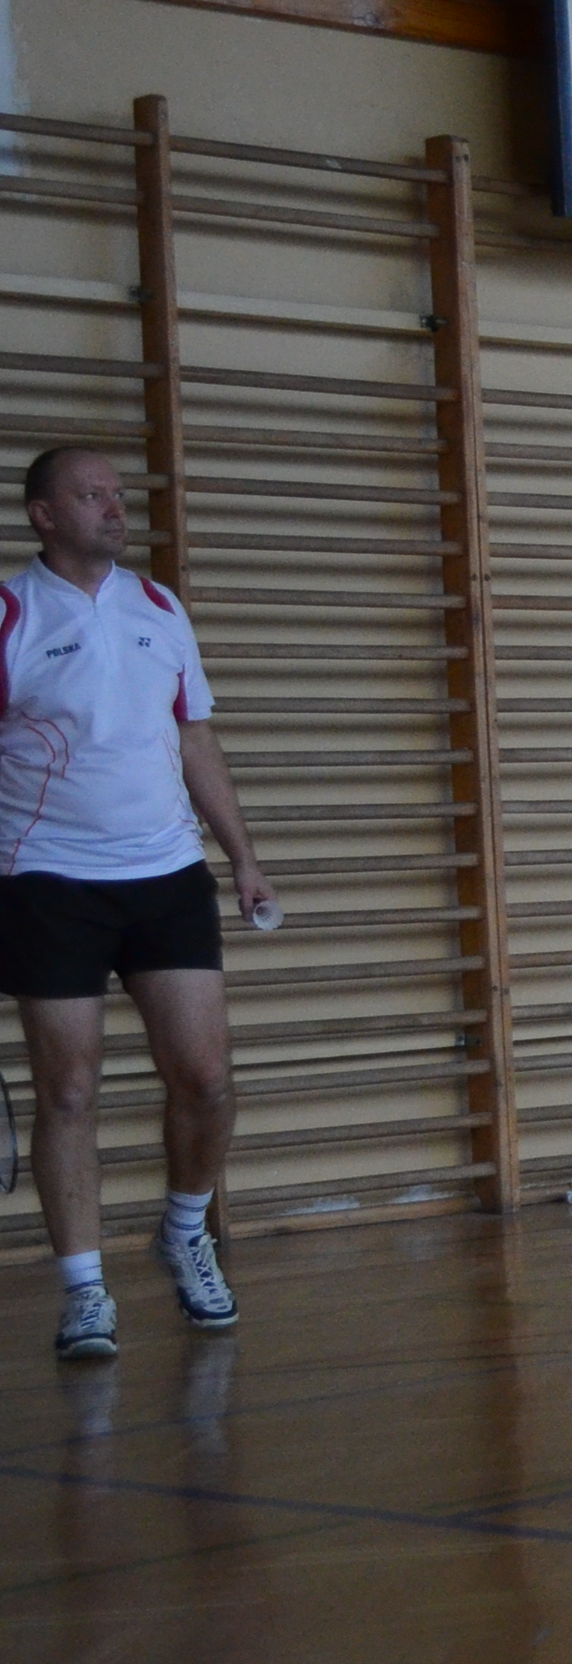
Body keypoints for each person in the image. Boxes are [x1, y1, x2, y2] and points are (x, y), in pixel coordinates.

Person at [3, 447, 272, 1362]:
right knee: (69, 1090)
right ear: (44, 514)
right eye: (92, 496)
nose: (115, 509)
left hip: (167, 873)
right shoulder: (10, 615)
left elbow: (195, 738)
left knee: (207, 1079)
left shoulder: (159, 606)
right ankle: (85, 1290)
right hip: (48, 878)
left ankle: (185, 1232)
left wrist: (242, 857)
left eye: (118, 495)